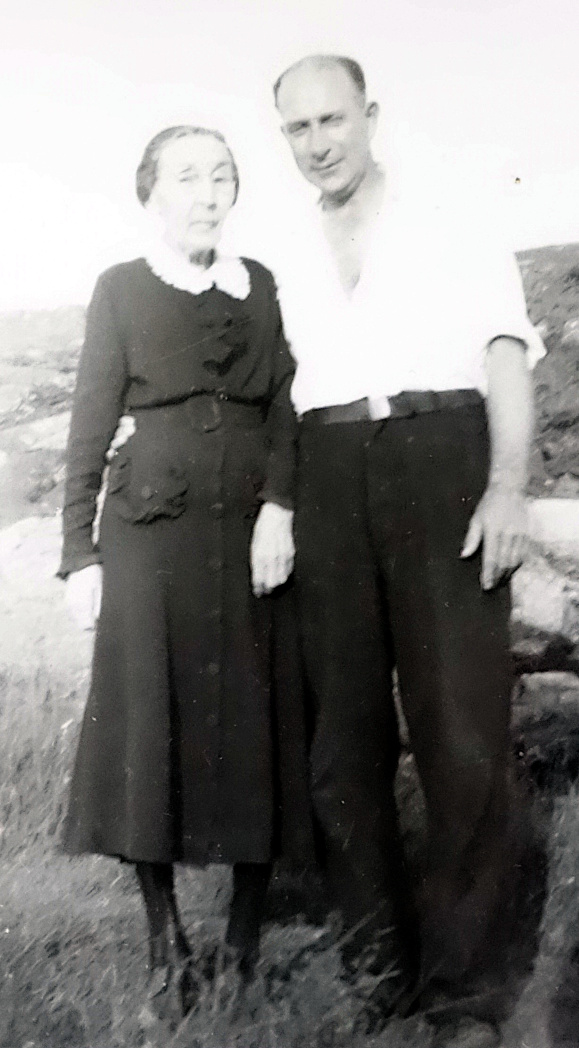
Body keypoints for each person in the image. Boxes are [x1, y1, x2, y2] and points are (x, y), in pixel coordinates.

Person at [271, 54, 545, 1037]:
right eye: (297, 129)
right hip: (328, 468)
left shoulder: (450, 212)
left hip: (442, 455)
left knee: (460, 733)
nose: (318, 144)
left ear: (369, 115)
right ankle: (378, 971)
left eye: (332, 120)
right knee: (342, 743)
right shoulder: (283, 246)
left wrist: (508, 485)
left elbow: (506, 351)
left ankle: (468, 991)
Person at [58, 124, 313, 1009]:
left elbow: (287, 407)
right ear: (151, 195)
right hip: (148, 537)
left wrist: (279, 506)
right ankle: (164, 939)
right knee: (147, 725)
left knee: (258, 713)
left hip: (251, 535)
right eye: (187, 179)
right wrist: (77, 552)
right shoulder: (121, 290)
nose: (207, 194)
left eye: (221, 177)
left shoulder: (264, 287)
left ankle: (242, 939)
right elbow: (90, 422)